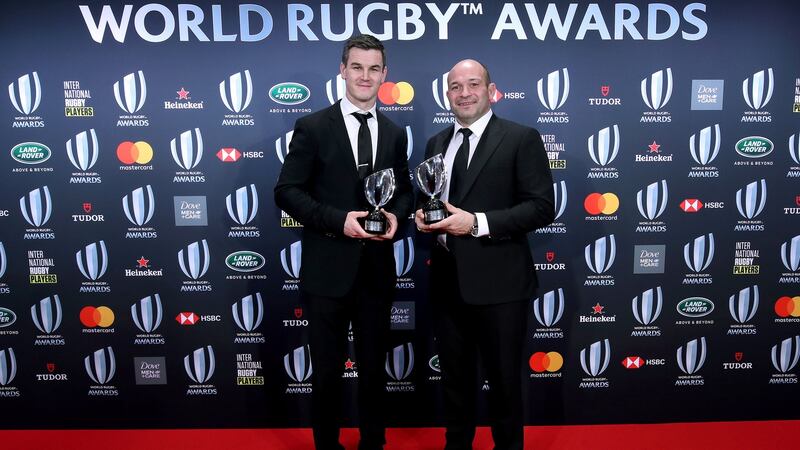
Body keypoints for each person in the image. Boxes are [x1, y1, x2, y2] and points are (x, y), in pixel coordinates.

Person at [274, 34, 413, 450]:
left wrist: (395, 215)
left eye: (374, 68)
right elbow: (287, 191)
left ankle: (374, 442)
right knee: (328, 372)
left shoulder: (394, 132)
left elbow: (404, 191)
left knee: (374, 370)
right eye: (357, 67)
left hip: (375, 272)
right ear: (343, 69)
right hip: (327, 271)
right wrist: (339, 221)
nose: (365, 76)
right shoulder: (313, 127)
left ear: (384, 75)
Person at [415, 59, 555, 450]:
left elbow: (542, 207)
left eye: (473, 84)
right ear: (447, 94)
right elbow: (432, 201)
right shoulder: (436, 143)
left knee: (505, 383)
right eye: (456, 87)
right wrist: (423, 218)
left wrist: (476, 223)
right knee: (455, 383)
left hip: (501, 285)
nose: (464, 93)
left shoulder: (520, 138)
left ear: (491, 90)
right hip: (447, 282)